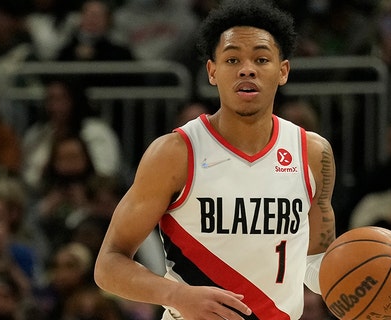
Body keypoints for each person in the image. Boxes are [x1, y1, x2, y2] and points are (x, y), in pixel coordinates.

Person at [93, 1, 337, 320]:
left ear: (283, 71)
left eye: (261, 59)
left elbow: (315, 264)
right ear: (212, 71)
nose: (246, 69)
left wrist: (357, 273)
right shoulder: (175, 153)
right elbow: (108, 264)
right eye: (232, 58)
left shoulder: (313, 153)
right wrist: (176, 294)